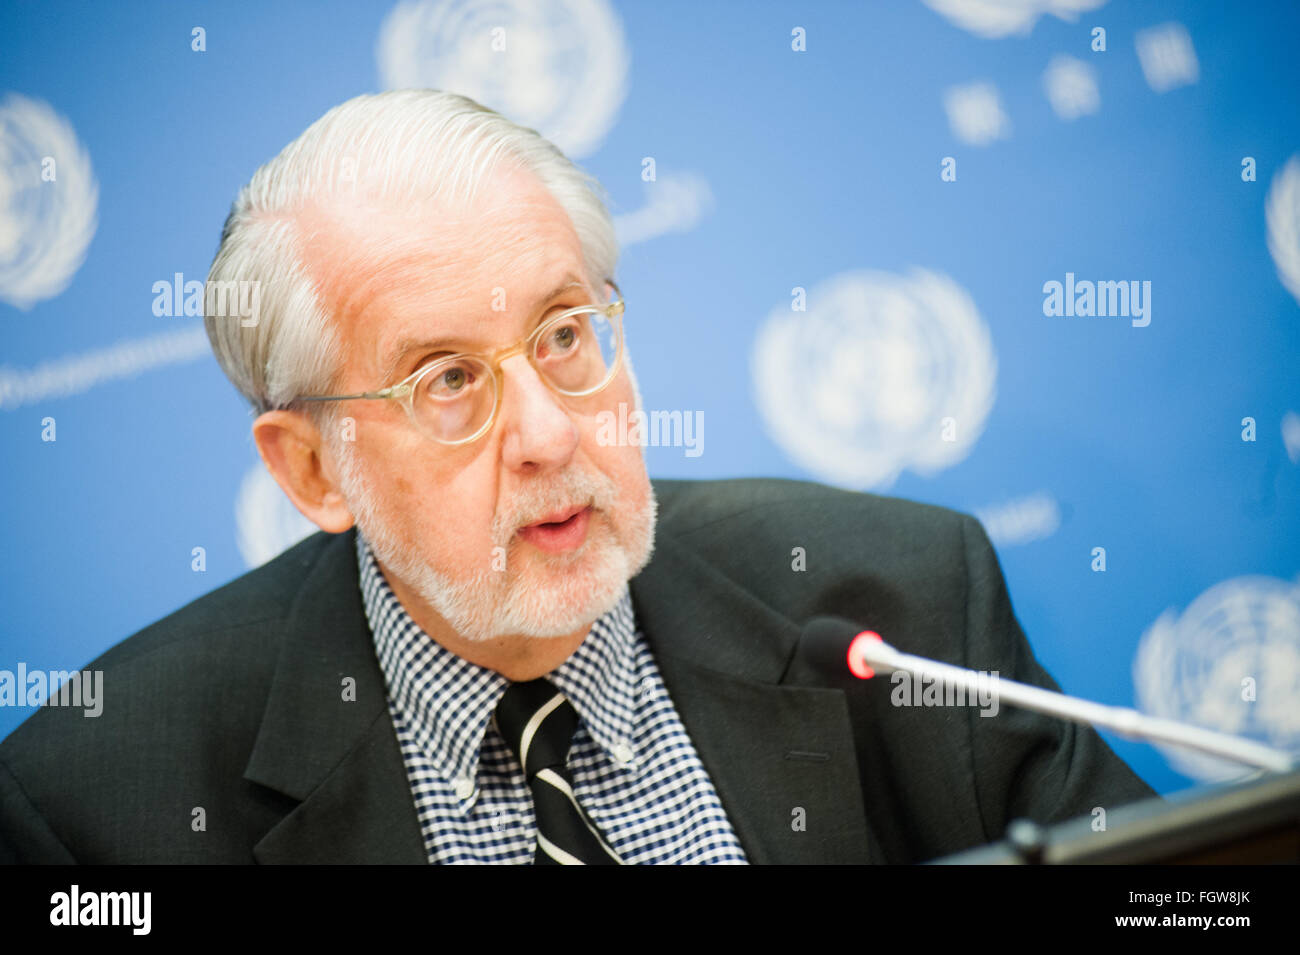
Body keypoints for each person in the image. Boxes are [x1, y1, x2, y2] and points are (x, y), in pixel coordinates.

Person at [0, 90, 1155, 865]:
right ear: (312, 467)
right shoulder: (100, 806)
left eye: (564, 333)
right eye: (446, 379)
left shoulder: (899, 605)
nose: (551, 435)